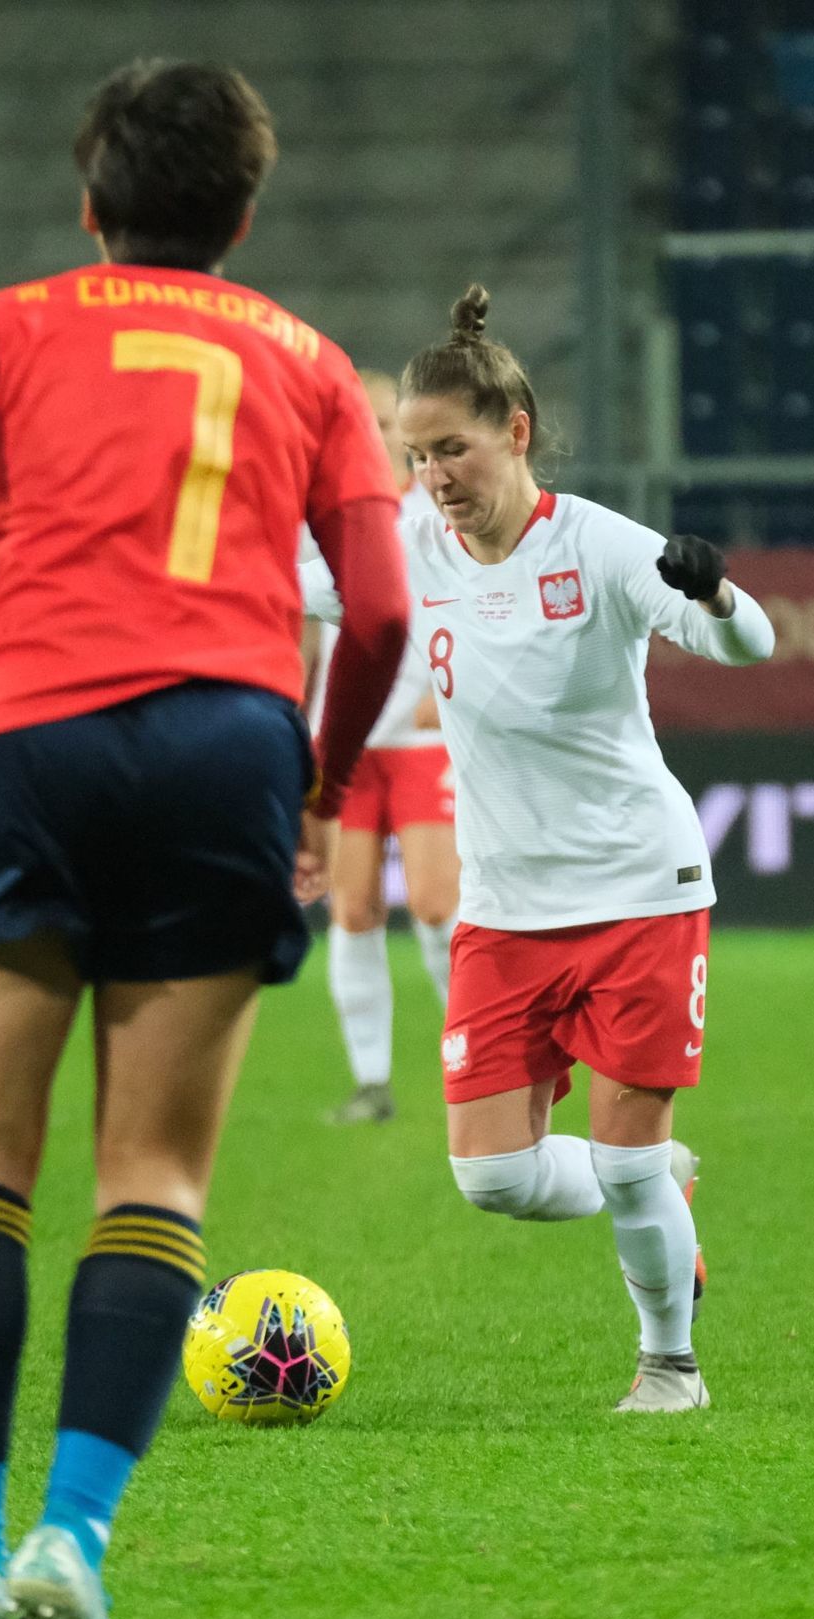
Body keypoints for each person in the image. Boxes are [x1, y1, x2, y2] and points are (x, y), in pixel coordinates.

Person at [0, 60, 408, 1619]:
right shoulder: (309, 358)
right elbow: (376, 612)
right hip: (227, 744)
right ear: (241, 216)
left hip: (21, 731)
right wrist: (312, 778)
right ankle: (72, 1543)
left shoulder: (3, 322)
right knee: (150, 1173)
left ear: (89, 200)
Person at [301, 283, 774, 1414]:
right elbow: (288, 580)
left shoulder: (602, 546)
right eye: (416, 457)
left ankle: (670, 1365)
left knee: (616, 1154)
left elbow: (746, 643)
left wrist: (713, 588)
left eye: (452, 450)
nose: (434, 479)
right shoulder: (413, 546)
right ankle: (666, 1181)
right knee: (493, 1179)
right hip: (508, 911)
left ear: (514, 433)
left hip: (638, 891)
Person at [303, 370, 460, 1123]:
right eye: (359, 417)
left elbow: (473, 596)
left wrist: (449, 683)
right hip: (343, 737)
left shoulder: (436, 508)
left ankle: (476, 1058)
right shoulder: (323, 508)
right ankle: (372, 1084)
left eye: (383, 416)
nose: (372, 428)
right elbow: (302, 619)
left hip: (420, 737)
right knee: (353, 907)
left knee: (436, 903)